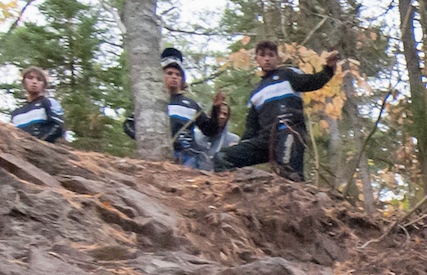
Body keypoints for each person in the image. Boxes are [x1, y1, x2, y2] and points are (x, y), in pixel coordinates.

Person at [217, 40, 338, 181]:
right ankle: (229, 192)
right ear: (257, 59)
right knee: (223, 156)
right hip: (264, 141)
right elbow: (251, 126)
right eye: (263, 55)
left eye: (271, 55)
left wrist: (328, 69)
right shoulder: (256, 92)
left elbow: (311, 82)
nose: (267, 58)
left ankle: (297, 196)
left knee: (288, 171)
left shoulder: (287, 75)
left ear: (277, 58)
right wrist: (243, 145)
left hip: (289, 131)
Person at [122, 47, 230, 170]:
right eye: (169, 73)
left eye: (178, 75)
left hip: (190, 156)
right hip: (160, 157)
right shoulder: (152, 103)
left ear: (182, 79)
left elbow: (210, 131)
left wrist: (216, 109)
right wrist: (147, 140)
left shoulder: (191, 104)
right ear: (160, 76)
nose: (174, 77)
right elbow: (129, 124)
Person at [9, 67, 66, 143]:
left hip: (46, 150)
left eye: (39, 79)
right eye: (30, 78)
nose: (34, 82)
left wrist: (40, 142)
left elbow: (57, 127)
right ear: (24, 82)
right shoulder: (16, 113)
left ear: (44, 85)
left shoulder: (49, 103)